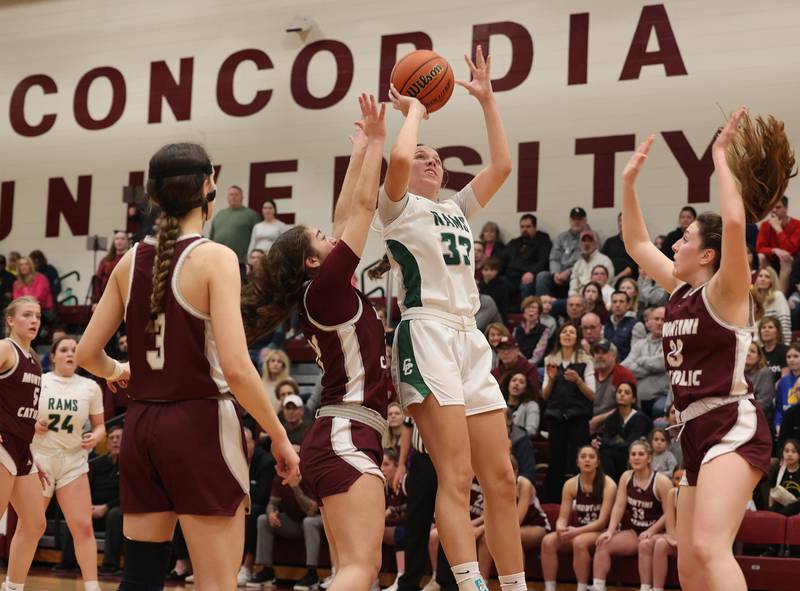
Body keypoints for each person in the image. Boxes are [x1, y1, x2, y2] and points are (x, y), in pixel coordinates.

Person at [75, 142, 299, 590]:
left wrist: (120, 372)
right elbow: (237, 368)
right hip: (200, 425)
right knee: (216, 582)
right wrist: (279, 435)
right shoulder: (215, 257)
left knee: (140, 578)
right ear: (208, 184)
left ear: (153, 196)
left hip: (141, 427)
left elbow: (86, 356)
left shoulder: (128, 260)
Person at [377, 45, 525, 591]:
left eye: (437, 155)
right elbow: (396, 162)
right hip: (427, 333)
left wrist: (488, 100)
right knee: (455, 475)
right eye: (423, 155)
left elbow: (503, 166)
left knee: (502, 480)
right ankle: (469, 584)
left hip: (469, 339)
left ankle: (513, 584)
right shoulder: (394, 206)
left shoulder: (456, 208)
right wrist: (414, 109)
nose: (431, 159)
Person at [621, 108, 789, 590]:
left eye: (686, 238)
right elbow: (635, 241)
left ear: (709, 254)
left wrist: (720, 158)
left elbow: (734, 222)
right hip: (693, 430)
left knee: (709, 548)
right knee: (689, 564)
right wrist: (630, 184)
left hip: (732, 424)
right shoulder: (678, 290)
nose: (675, 244)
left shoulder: (726, 291)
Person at [243, 93, 389, 591]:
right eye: (321, 238)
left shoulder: (324, 291)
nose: (332, 234)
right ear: (312, 261)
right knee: (359, 571)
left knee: (349, 572)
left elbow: (346, 210)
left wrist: (361, 150)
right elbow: (364, 208)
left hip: (339, 434)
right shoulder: (326, 290)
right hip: (345, 434)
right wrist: (380, 145)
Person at [30, 336, 105, 590]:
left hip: (73, 459)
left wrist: (95, 437)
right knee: (31, 526)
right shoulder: (41, 381)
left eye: (74, 350)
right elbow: (19, 417)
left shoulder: (91, 387)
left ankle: (92, 586)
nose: (70, 353)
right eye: (64, 350)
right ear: (53, 356)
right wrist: (33, 426)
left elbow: (100, 427)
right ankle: (13, 582)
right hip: (42, 458)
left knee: (83, 527)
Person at [0, 297, 47, 591]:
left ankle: (13, 588)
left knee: (34, 524)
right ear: (10, 320)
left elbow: (23, 413)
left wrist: (32, 452)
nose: (34, 320)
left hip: (23, 448)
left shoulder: (35, 361)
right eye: (27, 315)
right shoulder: (6, 349)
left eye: (38, 316)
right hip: (3, 442)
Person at [591, 439, 672, 591]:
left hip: (660, 533)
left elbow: (669, 514)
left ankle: (646, 588)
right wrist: (610, 530)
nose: (636, 457)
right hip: (636, 532)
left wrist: (651, 531)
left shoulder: (661, 481)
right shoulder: (626, 477)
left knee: (645, 544)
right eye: (633, 454)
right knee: (602, 543)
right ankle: (598, 587)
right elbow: (619, 506)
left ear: (649, 458)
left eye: (641, 454)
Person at [539, 445, 617, 591]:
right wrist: (560, 527)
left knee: (579, 542)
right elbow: (563, 517)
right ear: (577, 462)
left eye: (591, 457)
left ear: (597, 462)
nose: (587, 460)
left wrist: (575, 531)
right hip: (581, 530)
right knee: (547, 541)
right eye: (583, 457)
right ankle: (549, 588)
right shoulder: (570, 484)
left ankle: (581, 587)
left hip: (603, 532)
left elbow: (601, 523)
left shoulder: (608, 484)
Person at [542, 322, 595, 502]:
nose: (567, 334)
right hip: (555, 417)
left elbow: (592, 395)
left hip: (577, 417)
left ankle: (578, 498)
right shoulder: (550, 359)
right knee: (556, 459)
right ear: (559, 336)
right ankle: (554, 500)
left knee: (576, 459)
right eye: (564, 331)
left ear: (577, 338)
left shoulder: (586, 360)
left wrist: (579, 381)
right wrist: (550, 380)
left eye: (572, 332)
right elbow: (545, 394)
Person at [477, 455, 550, 581]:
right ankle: (483, 583)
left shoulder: (524, 484)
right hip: (508, 528)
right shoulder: (493, 487)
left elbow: (517, 520)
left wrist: (481, 528)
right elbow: (491, 515)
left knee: (512, 538)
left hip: (536, 526)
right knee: (486, 538)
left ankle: (518, 586)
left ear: (515, 472)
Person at [594, 381, 653, 481]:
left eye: (626, 392)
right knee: (601, 451)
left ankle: (610, 486)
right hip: (616, 456)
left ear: (633, 399)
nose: (622, 394)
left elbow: (630, 445)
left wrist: (605, 442)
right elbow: (604, 438)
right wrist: (598, 443)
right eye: (619, 391)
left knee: (606, 452)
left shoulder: (640, 419)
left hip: (635, 456)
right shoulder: (612, 418)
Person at [536, 207, 598, 297]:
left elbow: (588, 259)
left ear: (585, 220)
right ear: (570, 220)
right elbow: (554, 257)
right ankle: (543, 306)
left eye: (579, 219)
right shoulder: (561, 237)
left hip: (579, 273)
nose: (576, 222)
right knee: (542, 277)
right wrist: (556, 273)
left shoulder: (591, 237)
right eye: (574, 219)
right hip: (560, 273)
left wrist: (569, 271)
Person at [621, 306, 670, 418]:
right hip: (638, 397)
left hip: (662, 396)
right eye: (656, 319)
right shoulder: (639, 344)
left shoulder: (672, 343)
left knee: (658, 409)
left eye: (663, 320)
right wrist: (652, 369)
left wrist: (641, 360)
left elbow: (662, 363)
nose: (659, 323)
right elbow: (625, 367)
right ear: (649, 322)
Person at [208, 185, 262, 270]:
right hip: (219, 261)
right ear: (227, 197)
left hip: (240, 262)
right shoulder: (220, 214)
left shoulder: (252, 215)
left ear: (242, 197)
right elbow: (211, 236)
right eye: (231, 195)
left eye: (236, 195)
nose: (233, 197)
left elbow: (258, 239)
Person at [638, 481, 679, 591]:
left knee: (661, 543)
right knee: (644, 544)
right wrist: (673, 539)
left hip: (691, 540)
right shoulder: (672, 493)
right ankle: (645, 588)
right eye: (676, 478)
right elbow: (670, 527)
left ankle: (657, 589)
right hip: (675, 539)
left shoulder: (697, 493)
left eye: (682, 478)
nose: (679, 481)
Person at [588, 339, 636, 430]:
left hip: (616, 422)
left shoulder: (623, 375)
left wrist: (597, 420)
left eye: (604, 352)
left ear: (614, 356)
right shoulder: (590, 373)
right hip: (589, 420)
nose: (599, 356)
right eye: (597, 352)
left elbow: (630, 407)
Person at [503, 214, 552, 298]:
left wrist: (532, 272)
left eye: (528, 226)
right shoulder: (514, 243)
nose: (524, 229)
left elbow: (543, 260)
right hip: (512, 275)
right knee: (498, 281)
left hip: (529, 274)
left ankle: (528, 309)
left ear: (535, 227)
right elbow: (503, 258)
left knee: (526, 282)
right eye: (522, 227)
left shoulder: (543, 241)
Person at [756, 195, 800, 267]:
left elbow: (791, 250)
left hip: (791, 259)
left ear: (786, 208)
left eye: (778, 207)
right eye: (772, 207)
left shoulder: (797, 225)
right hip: (772, 257)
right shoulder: (765, 225)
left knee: (785, 257)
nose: (774, 210)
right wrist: (774, 250)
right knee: (760, 257)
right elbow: (759, 248)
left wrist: (778, 229)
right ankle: (765, 277)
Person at [569, 231, 614, 296]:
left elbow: (608, 283)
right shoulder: (578, 264)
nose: (586, 244)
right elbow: (573, 287)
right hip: (579, 298)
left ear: (595, 244)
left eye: (589, 241)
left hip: (599, 296)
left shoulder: (605, 261)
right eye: (584, 241)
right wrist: (573, 296)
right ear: (580, 244)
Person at [753, 266, 791, 343]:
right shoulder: (754, 299)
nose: (763, 279)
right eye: (760, 276)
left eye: (767, 277)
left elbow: (784, 322)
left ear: (772, 281)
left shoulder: (778, 296)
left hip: (775, 344)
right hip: (756, 345)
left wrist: (786, 345)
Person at [93, 231, 131, 305]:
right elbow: (98, 281)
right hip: (107, 298)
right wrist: (96, 301)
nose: (119, 241)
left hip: (125, 298)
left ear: (127, 242)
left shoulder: (131, 259)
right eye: (117, 239)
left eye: (123, 239)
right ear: (114, 241)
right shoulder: (105, 260)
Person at [500, 371, 540, 437]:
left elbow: (532, 430)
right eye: (514, 380)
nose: (516, 383)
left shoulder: (531, 405)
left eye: (521, 382)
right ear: (508, 384)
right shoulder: (500, 404)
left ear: (526, 389)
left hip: (520, 444)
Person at [745, 342, 777, 425]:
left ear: (759, 357)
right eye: (745, 350)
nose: (748, 354)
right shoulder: (736, 373)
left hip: (757, 419)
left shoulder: (764, 372)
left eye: (752, 351)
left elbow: (764, 403)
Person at [602, 212, 639, 284]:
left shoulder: (636, 243)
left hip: (628, 281)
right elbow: (602, 259)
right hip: (609, 279)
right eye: (620, 220)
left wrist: (618, 277)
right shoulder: (610, 241)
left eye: (625, 220)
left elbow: (635, 265)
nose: (621, 223)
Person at [513, 296, 550, 366]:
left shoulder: (544, 330)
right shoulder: (517, 329)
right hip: (517, 364)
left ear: (539, 312)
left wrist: (527, 365)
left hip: (534, 366)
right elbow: (514, 349)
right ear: (523, 312)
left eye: (533, 307)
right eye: (528, 307)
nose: (531, 310)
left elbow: (538, 354)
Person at [603, 290, 640, 361]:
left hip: (627, 367)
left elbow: (636, 354)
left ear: (628, 305)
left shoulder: (636, 325)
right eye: (614, 302)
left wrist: (620, 368)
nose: (617, 305)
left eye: (621, 301)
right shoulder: (606, 324)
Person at [774, 341, 800, 431]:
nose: (791, 359)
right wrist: (778, 424)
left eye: (796, 356)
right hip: (786, 426)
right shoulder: (783, 382)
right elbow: (778, 407)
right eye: (788, 357)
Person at [758, 316, 789, 382]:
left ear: (777, 332)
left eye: (770, 327)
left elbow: (785, 379)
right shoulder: (758, 352)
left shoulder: (785, 350)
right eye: (763, 327)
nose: (766, 330)